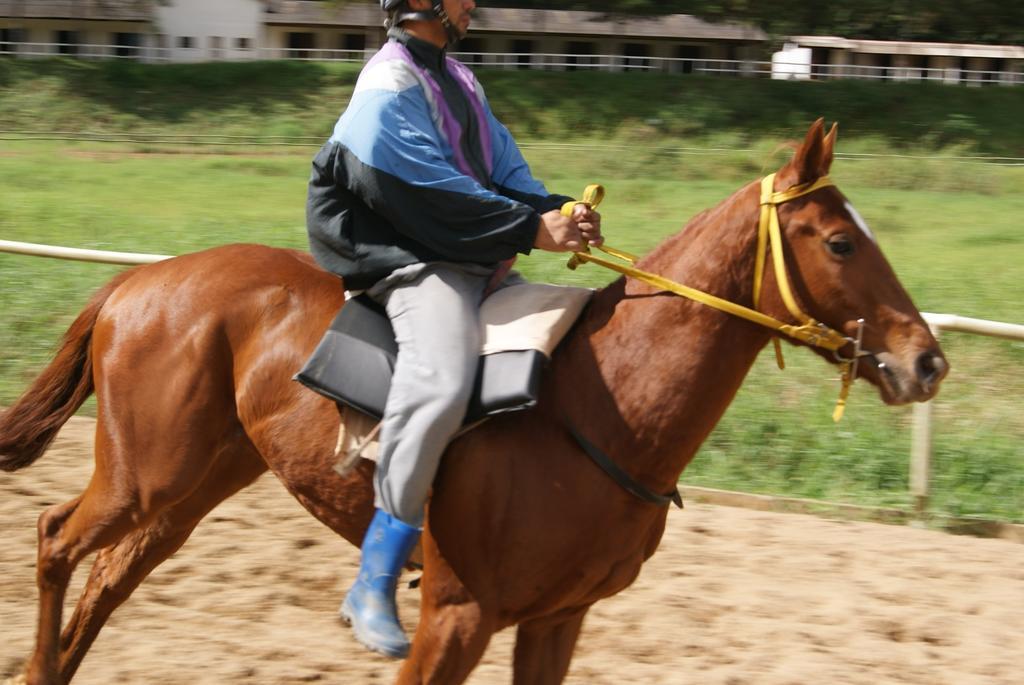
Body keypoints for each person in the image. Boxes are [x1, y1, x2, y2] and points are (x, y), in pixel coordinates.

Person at [305, 0, 602, 659]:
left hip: (476, 254)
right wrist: (531, 230)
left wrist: (559, 211)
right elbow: (428, 192)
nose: (475, 4)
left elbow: (503, 171)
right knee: (440, 382)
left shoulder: (462, 79)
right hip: (416, 263)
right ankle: (374, 580)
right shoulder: (386, 84)